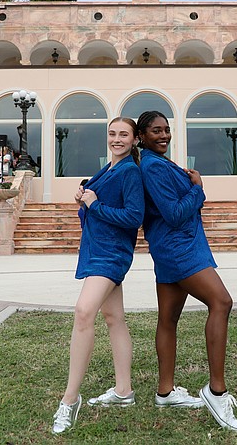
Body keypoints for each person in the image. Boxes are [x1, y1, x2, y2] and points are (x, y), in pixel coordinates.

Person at [135, 110, 237, 431]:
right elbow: (175, 213)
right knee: (221, 302)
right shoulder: (152, 167)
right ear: (142, 136)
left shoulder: (159, 163)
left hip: (175, 247)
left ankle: (165, 392)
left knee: (168, 319)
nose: (164, 135)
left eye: (166, 130)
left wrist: (190, 186)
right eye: (156, 131)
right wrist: (198, 187)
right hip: (180, 248)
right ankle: (216, 390)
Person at [52, 117, 144, 435]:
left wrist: (95, 203)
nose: (117, 139)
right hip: (96, 249)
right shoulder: (107, 169)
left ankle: (70, 399)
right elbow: (94, 209)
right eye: (112, 134)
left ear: (134, 140)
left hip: (112, 253)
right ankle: (123, 391)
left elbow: (134, 217)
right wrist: (84, 201)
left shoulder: (130, 171)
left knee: (83, 313)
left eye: (123, 135)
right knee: (114, 317)